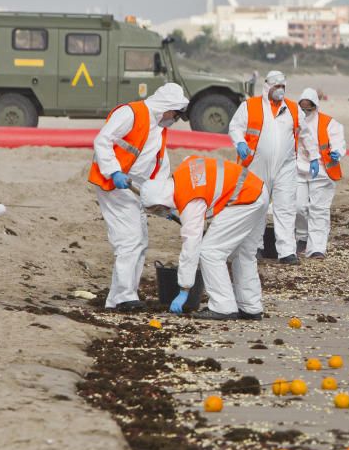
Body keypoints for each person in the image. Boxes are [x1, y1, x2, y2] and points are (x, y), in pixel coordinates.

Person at [88, 83, 189, 311]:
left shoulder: (159, 129)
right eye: (175, 113)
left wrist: (163, 202)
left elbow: (160, 166)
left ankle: (121, 296)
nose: (175, 118)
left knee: (140, 241)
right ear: (167, 106)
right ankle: (122, 297)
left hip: (135, 190)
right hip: (114, 184)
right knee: (129, 240)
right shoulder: (131, 113)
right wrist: (113, 170)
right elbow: (103, 140)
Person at [140, 156, 270, 320]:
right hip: (257, 191)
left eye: (158, 210)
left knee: (210, 251)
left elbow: (191, 246)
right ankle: (250, 307)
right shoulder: (183, 169)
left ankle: (223, 307)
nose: (160, 213)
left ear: (161, 203)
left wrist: (184, 289)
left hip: (244, 199)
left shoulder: (190, 202)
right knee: (244, 253)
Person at [228, 70, 318, 265]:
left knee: (286, 207)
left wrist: (315, 157)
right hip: (256, 166)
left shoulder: (293, 109)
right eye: (277, 86)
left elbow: (306, 135)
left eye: (283, 87)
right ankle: (255, 248)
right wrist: (240, 143)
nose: (280, 90)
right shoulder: (249, 106)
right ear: (268, 86)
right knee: (256, 207)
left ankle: (287, 252)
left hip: (285, 167)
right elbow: (235, 127)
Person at [294, 87, 345, 259]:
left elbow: (338, 141)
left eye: (309, 108)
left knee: (319, 210)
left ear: (316, 106)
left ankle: (317, 248)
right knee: (298, 207)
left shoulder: (329, 123)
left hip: (322, 172)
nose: (306, 111)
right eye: (303, 108)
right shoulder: (293, 120)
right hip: (298, 170)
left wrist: (337, 152)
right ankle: (302, 236)